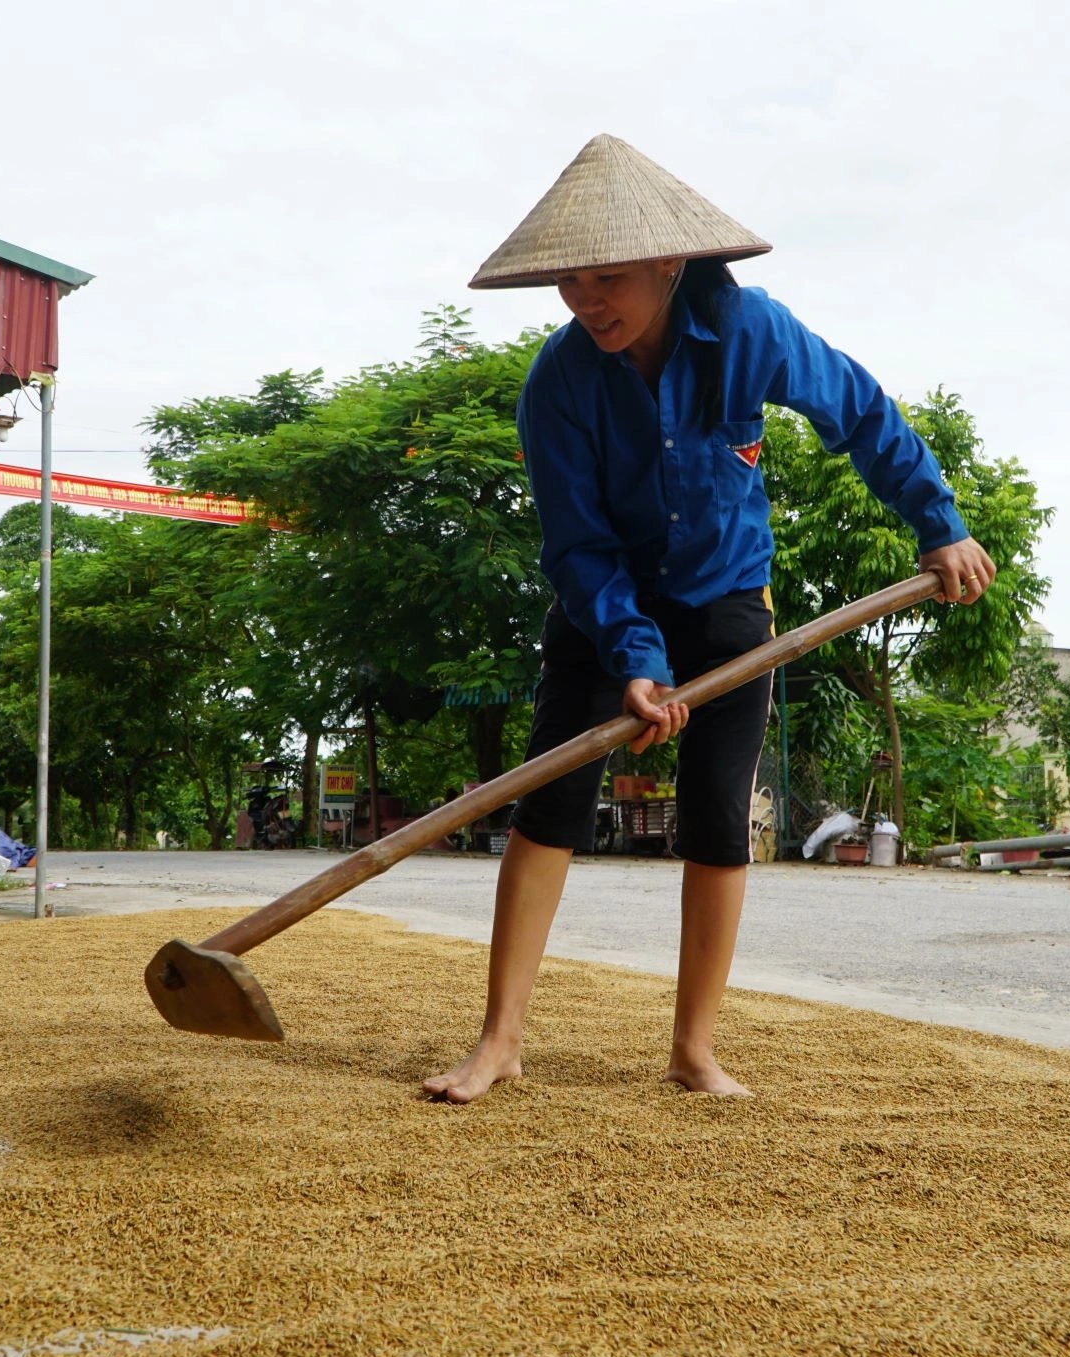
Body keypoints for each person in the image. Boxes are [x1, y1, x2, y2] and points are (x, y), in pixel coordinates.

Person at [422, 135, 997, 1103]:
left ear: (667, 263)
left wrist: (936, 525)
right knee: (549, 802)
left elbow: (858, 410)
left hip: (728, 595)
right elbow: (578, 547)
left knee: (716, 818)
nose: (586, 301)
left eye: (606, 278)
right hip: (604, 605)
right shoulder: (555, 389)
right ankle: (499, 1042)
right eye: (569, 283)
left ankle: (692, 1051)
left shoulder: (747, 333)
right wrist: (634, 656)